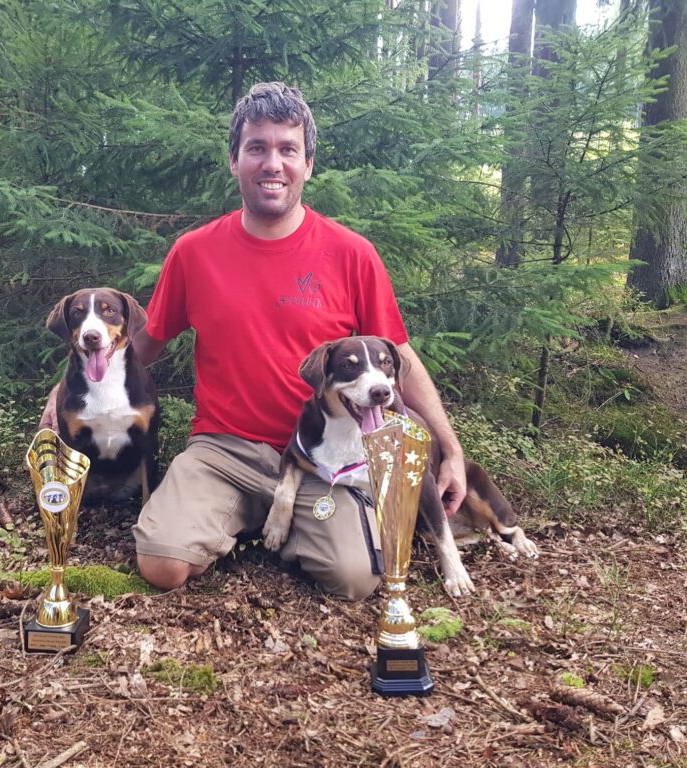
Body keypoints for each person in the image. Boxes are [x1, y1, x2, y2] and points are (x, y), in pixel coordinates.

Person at [40, 82, 466, 599]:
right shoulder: (193, 252)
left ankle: (282, 523)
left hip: (320, 454)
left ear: (308, 164)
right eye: (257, 148)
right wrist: (66, 394)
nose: (273, 164)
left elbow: (400, 356)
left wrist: (450, 449)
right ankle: (244, 517)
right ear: (234, 160)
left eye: (288, 149)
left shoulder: (352, 253)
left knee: (354, 579)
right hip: (223, 449)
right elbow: (141, 343)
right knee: (162, 563)